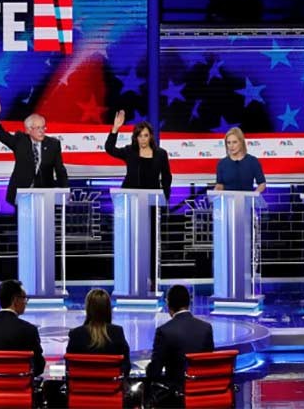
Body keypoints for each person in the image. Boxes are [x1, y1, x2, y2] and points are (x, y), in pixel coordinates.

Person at [107, 110, 172, 282]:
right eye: (139, 136)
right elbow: (109, 149)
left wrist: (164, 197)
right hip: (130, 202)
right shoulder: (130, 151)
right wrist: (115, 129)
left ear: (151, 137)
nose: (142, 139)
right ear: (135, 138)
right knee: (130, 238)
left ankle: (151, 277)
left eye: (145, 135)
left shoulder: (161, 154)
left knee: (150, 240)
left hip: (151, 203)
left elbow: (167, 177)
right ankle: (128, 275)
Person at [0, 95, 68, 207]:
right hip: (21, 193)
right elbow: (1, 135)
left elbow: (60, 170)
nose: (42, 131)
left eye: (43, 127)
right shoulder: (20, 141)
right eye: (38, 128)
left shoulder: (53, 144)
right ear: (28, 130)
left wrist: (64, 191)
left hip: (45, 194)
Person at [147, 285, 214, 406]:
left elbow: (154, 372)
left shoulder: (164, 331)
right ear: (189, 303)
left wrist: (148, 368)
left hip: (176, 398)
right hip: (202, 394)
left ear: (168, 305)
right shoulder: (206, 328)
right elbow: (208, 364)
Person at [66, 288, 131, 376]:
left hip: (82, 384)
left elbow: (68, 368)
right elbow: (126, 367)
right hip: (110, 384)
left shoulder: (76, 334)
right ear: (108, 309)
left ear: (88, 309)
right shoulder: (117, 333)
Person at [215, 127, 266, 193]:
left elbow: (262, 183)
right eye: (228, 143)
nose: (231, 146)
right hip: (228, 199)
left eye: (235, 142)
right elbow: (220, 185)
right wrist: (214, 194)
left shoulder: (252, 161)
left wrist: (254, 195)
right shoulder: (222, 163)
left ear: (241, 142)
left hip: (247, 199)